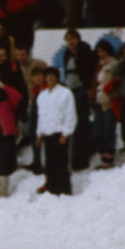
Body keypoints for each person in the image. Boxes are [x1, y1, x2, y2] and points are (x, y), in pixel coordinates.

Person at [36, 67, 77, 196]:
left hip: (60, 134)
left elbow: (70, 114)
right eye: (48, 76)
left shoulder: (65, 93)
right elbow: (41, 116)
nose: (50, 78)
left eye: (53, 76)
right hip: (47, 133)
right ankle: (51, 189)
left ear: (57, 77)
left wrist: (66, 133)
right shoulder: (42, 95)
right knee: (49, 163)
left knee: (61, 162)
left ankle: (64, 190)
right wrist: (39, 134)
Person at [61, 30, 97, 171]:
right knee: (72, 121)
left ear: (78, 39)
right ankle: (74, 154)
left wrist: (88, 88)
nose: (71, 42)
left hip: (81, 89)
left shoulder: (85, 52)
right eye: (68, 39)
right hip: (70, 90)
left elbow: (90, 71)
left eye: (73, 39)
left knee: (82, 121)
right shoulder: (67, 53)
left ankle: (83, 154)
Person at [91, 40, 118, 169]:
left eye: (102, 51)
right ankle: (102, 156)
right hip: (98, 101)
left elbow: (117, 80)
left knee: (108, 131)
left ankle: (108, 159)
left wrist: (111, 91)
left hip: (108, 102)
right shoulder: (99, 65)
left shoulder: (113, 64)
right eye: (98, 51)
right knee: (97, 131)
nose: (100, 54)